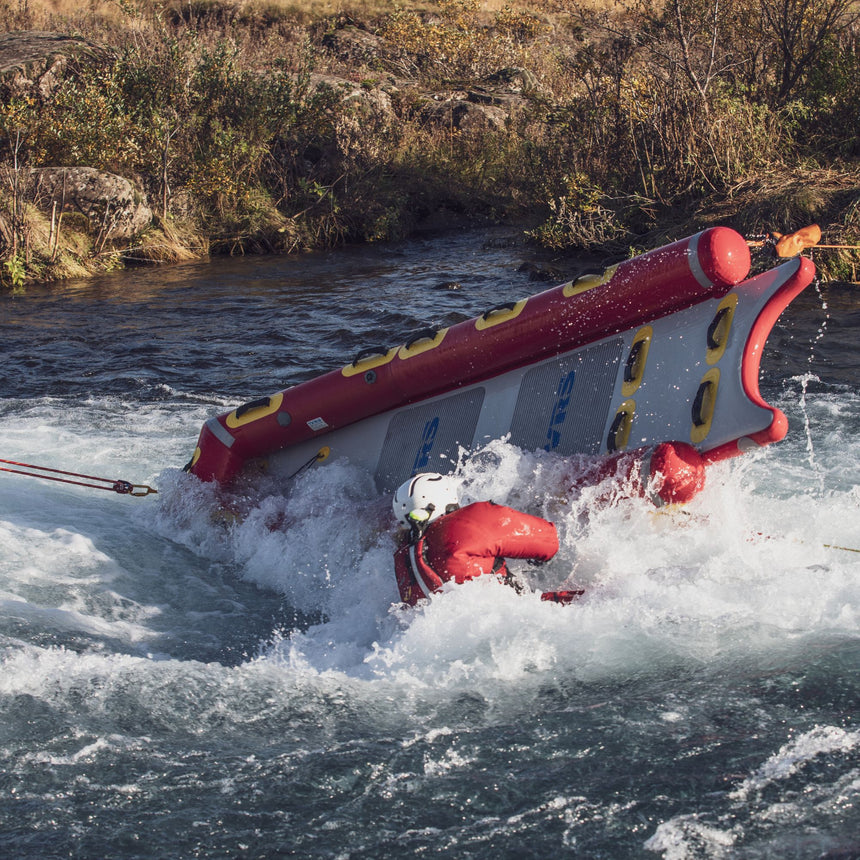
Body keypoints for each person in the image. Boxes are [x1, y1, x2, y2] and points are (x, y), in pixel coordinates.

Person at [392, 472, 582, 607]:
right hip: (516, 619)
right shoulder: (468, 522)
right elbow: (550, 542)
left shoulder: (403, 558)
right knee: (600, 599)